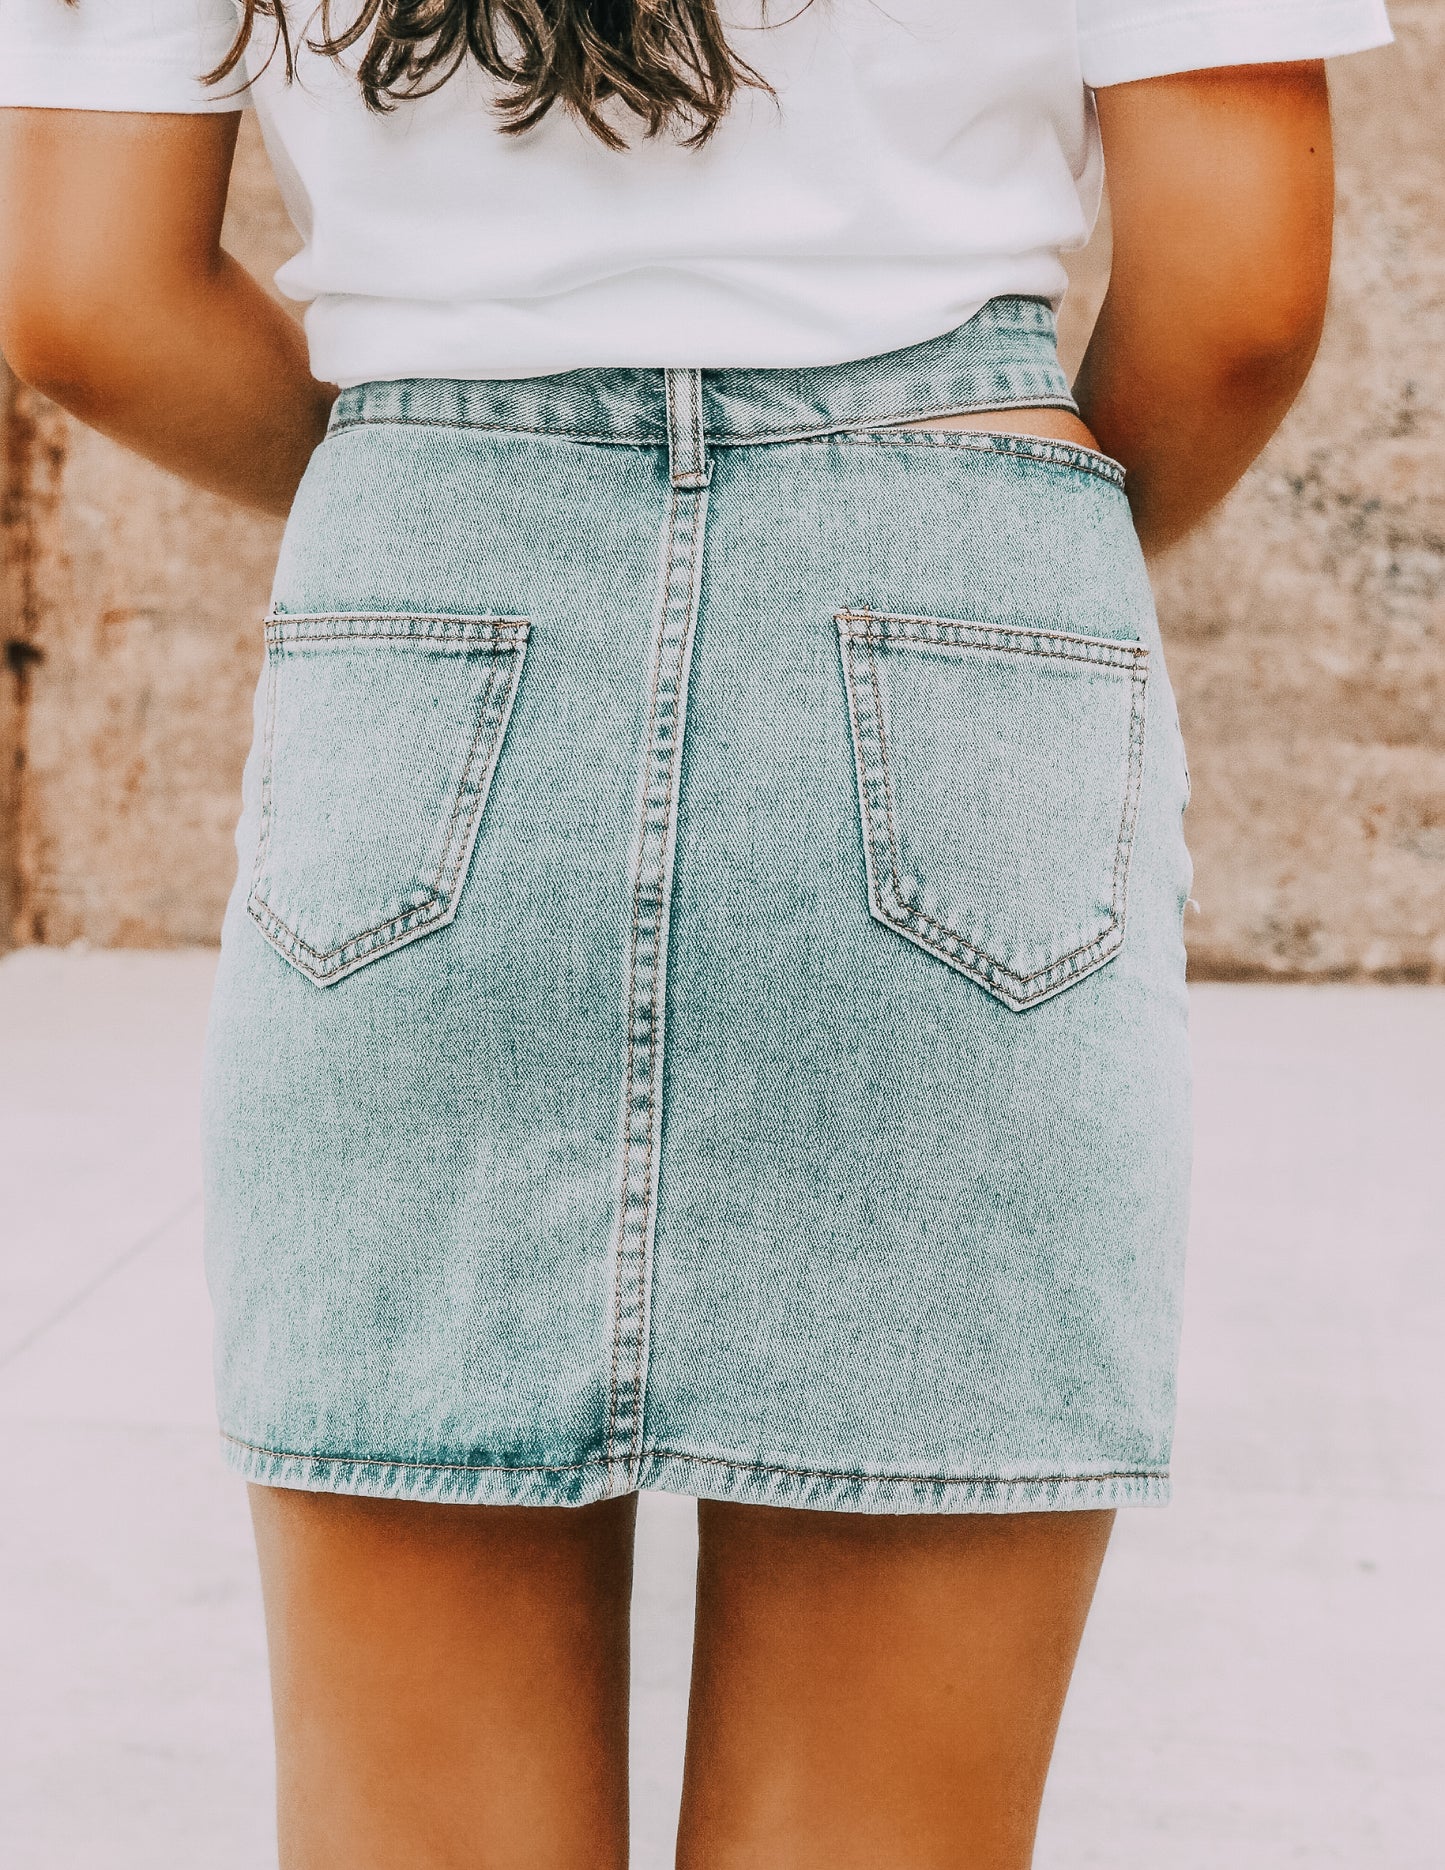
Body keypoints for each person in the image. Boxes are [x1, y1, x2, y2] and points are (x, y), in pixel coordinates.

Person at [0, 2, 1392, 1864]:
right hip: (948, 575)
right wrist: (990, 572)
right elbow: (1233, 293)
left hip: (432, 598)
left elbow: (84, 290)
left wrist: (454, 526)